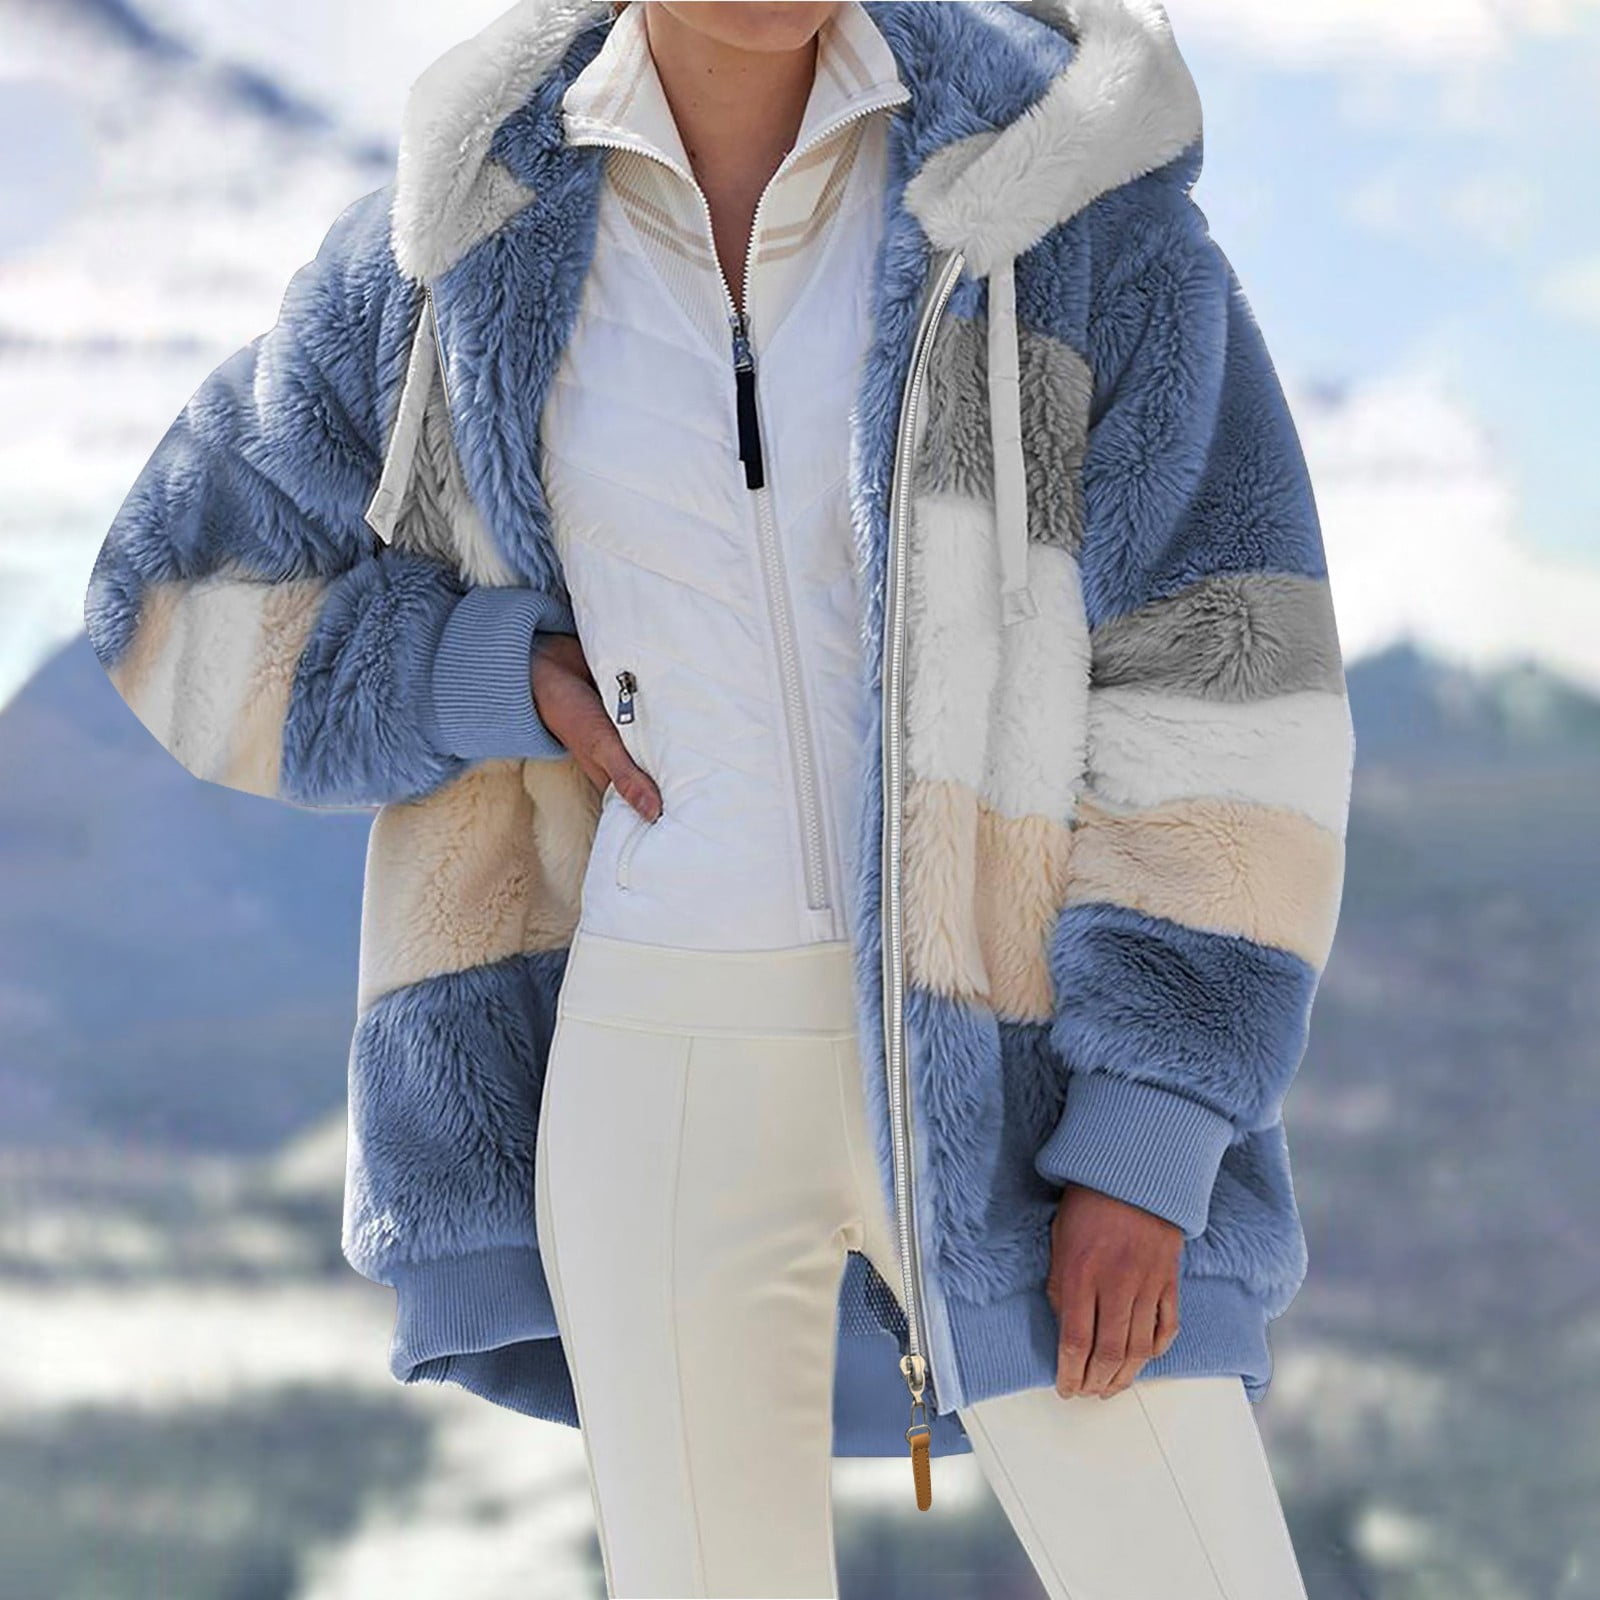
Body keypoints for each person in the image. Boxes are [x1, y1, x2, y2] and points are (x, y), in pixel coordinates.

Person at [84, 0, 1354, 1594]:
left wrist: (1155, 1119)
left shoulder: (1060, 187)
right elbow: (169, 601)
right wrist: (479, 675)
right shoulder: (459, 232)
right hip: (656, 1066)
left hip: (1023, 1064)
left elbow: (1230, 671)